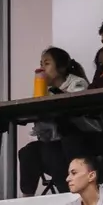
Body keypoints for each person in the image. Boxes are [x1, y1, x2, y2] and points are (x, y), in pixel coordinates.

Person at [18, 47, 90, 196]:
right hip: (53, 140)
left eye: (47, 63)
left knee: (50, 152)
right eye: (40, 64)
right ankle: (26, 198)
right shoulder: (46, 90)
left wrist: (54, 96)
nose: (41, 68)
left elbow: (77, 105)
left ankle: (69, 194)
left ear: (61, 67)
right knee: (27, 152)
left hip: (78, 140)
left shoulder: (78, 83)